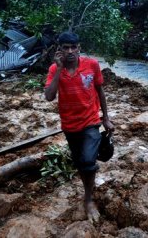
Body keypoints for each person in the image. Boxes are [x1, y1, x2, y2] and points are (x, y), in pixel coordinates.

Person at [44, 31, 114, 223]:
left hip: (91, 121)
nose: (70, 51)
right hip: (69, 125)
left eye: (73, 47)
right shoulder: (53, 70)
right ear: (60, 50)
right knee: (80, 163)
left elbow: (100, 90)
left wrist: (106, 118)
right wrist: (58, 69)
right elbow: (49, 96)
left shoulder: (92, 65)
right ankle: (88, 189)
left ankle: (89, 199)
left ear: (79, 48)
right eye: (65, 48)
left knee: (87, 162)